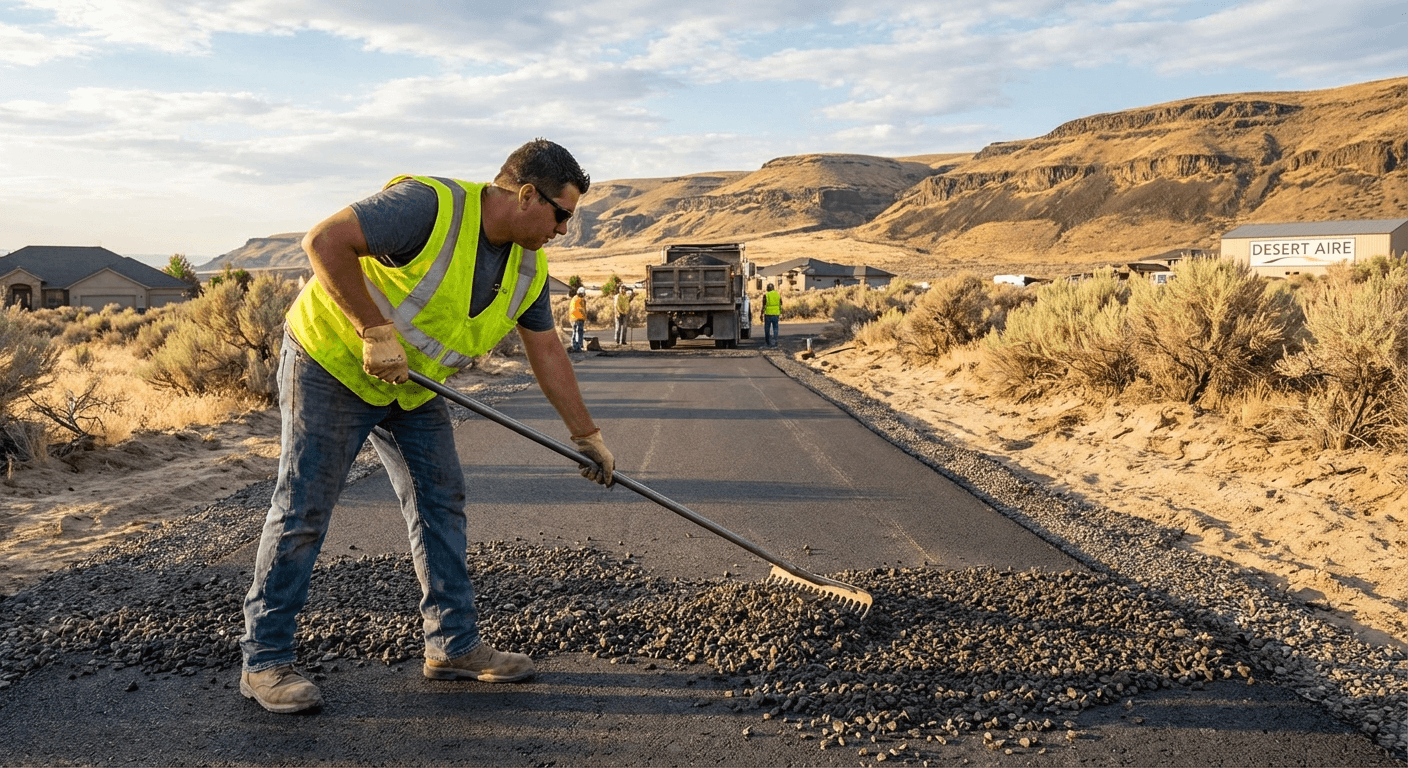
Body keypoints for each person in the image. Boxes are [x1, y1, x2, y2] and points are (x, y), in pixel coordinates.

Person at [239, 139, 616, 715]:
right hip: (332, 365)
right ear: (525, 194)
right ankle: (264, 661)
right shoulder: (429, 207)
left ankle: (453, 647)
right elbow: (324, 240)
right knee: (305, 507)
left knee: (441, 499)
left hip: (412, 387)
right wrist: (373, 328)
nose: (564, 229)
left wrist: (585, 434)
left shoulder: (529, 266)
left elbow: (546, 350)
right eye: (561, 214)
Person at [762, 283, 782, 348]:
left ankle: (768, 342)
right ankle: (775, 342)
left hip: (768, 314)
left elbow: (763, 305)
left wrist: (761, 314)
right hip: (776, 314)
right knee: (775, 328)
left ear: (767, 289)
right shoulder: (777, 294)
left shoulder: (766, 295)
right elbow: (781, 303)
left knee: (767, 328)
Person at [569, 286, 587, 351]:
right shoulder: (580, 300)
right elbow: (582, 310)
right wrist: (585, 316)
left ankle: (574, 345)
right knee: (579, 332)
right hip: (579, 318)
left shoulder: (574, 299)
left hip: (573, 318)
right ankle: (578, 346)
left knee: (574, 332)